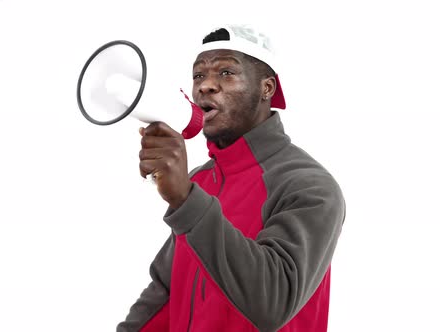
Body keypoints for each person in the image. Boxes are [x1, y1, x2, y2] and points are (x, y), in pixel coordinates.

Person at [117, 24, 346, 332]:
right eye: (199, 75)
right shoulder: (200, 181)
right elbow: (165, 292)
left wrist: (185, 199)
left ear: (267, 88)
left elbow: (273, 303)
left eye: (226, 72)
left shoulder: (309, 186)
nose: (206, 85)